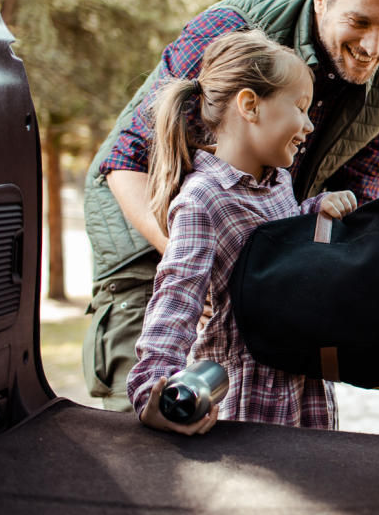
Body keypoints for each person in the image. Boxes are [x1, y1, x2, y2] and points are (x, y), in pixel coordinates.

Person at [82, 0, 379, 411]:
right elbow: (126, 160)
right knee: (148, 423)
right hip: (152, 235)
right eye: (361, 22)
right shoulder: (230, 26)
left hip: (258, 256)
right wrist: (202, 270)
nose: (374, 46)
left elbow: (354, 212)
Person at [126, 30, 358, 434]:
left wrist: (312, 212)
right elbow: (176, 300)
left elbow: (274, 246)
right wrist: (153, 391)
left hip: (301, 389)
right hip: (249, 398)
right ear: (250, 105)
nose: (308, 124)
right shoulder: (203, 199)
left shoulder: (277, 182)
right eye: (301, 108)